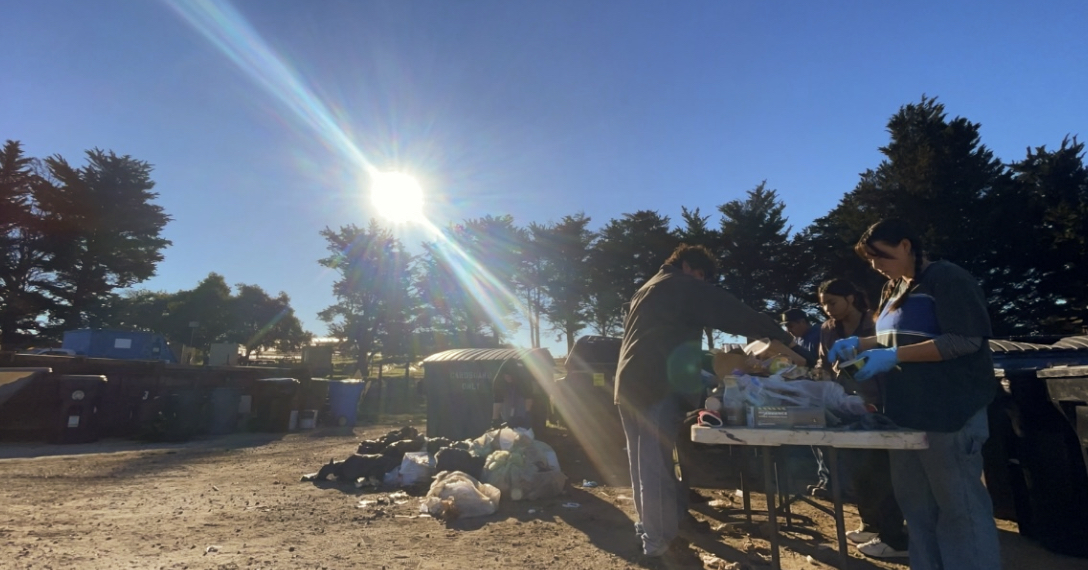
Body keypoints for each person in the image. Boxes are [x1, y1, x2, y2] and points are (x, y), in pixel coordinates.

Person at [827, 219, 1001, 570]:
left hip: (949, 413)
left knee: (959, 508)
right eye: (869, 258)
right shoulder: (892, 288)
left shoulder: (948, 279)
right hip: (905, 416)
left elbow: (964, 341)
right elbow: (896, 335)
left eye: (881, 255)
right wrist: (860, 345)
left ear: (906, 245)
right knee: (917, 508)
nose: (876, 264)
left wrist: (893, 356)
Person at [614, 244, 797, 558]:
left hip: (630, 383)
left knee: (642, 465)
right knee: (655, 467)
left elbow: (668, 341)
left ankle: (650, 532)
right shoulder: (679, 285)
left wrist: (710, 367)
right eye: (703, 277)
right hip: (653, 385)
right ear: (688, 267)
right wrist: (782, 337)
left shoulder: (647, 290)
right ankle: (658, 547)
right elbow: (729, 310)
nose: (704, 284)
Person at [816, 278, 909, 559]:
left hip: (882, 405)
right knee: (859, 469)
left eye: (832, 302)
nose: (827, 310)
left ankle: (895, 538)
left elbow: (893, 358)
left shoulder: (876, 324)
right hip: (849, 406)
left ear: (851, 298)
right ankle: (870, 525)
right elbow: (823, 361)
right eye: (823, 305)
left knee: (881, 471)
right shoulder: (827, 330)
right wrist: (823, 372)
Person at [491, 359, 533, 429]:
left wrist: (527, 413)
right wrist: (494, 419)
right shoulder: (498, 381)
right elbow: (497, 400)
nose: (508, 378)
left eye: (510, 376)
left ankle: (520, 420)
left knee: (520, 408)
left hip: (521, 393)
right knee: (507, 410)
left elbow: (528, 397)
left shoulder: (524, 378)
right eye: (506, 376)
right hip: (507, 393)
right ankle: (508, 422)